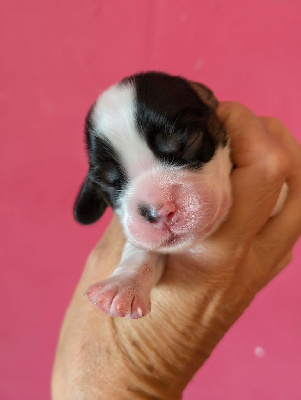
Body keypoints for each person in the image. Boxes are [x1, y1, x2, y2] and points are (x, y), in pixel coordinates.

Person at [51, 102, 301, 400]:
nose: (161, 208)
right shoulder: (144, 216)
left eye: (183, 146)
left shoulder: (243, 163)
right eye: (116, 183)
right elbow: (142, 251)